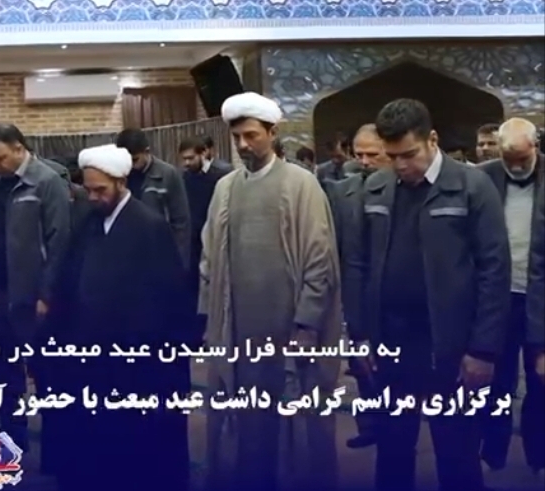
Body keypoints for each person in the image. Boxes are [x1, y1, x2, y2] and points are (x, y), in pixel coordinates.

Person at [347, 99, 510, 491]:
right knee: (392, 451)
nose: (401, 166)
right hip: (390, 345)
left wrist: (483, 350)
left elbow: (494, 271)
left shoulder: (472, 187)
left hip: (451, 349)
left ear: (432, 140)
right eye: (392, 157)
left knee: (457, 454)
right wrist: (360, 336)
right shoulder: (376, 188)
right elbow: (358, 265)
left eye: (409, 155)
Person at [199, 92, 342, 490]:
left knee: (297, 423)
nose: (244, 145)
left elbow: (319, 261)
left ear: (272, 133)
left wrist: (307, 324)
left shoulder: (301, 185)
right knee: (247, 422)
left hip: (289, 329)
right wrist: (210, 320)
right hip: (238, 331)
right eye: (237, 138)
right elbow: (209, 261)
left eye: (252, 136)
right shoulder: (226, 188)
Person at [51, 144, 190, 490]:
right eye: (88, 189)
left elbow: (169, 301)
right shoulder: (88, 222)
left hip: (135, 362)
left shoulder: (149, 226)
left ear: (121, 182)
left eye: (100, 190)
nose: (93, 197)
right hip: (91, 358)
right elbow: (68, 283)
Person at [0, 123, 71, 455]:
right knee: (4, 373)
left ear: (19, 148)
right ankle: (13, 436)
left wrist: (47, 293)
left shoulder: (47, 181)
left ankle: (56, 444)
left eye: (0, 158)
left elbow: (59, 241)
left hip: (32, 298)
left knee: (45, 372)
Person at [477, 118, 544, 475]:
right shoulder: (482, 177)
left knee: (541, 382)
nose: (516, 167)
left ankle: (539, 457)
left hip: (540, 300)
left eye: (522, 159)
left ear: (537, 146)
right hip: (498, 299)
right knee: (497, 383)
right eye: (509, 159)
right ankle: (493, 454)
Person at [326, 124, 389, 449]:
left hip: (393, 295)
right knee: (361, 363)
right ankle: (370, 426)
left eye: (372, 154)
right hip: (356, 293)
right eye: (359, 154)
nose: (364, 162)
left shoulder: (405, 189)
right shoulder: (342, 192)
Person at [179, 135, 230, 346]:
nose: (186, 163)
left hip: (215, 241)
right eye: (184, 159)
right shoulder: (184, 179)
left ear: (203, 154)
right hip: (192, 243)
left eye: (190, 158)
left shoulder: (221, 177)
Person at [114, 128, 192, 265]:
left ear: (147, 152)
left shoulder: (168, 175)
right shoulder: (119, 176)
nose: (130, 165)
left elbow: (181, 222)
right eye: (126, 160)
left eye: (135, 160)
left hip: (161, 253)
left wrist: (180, 261)